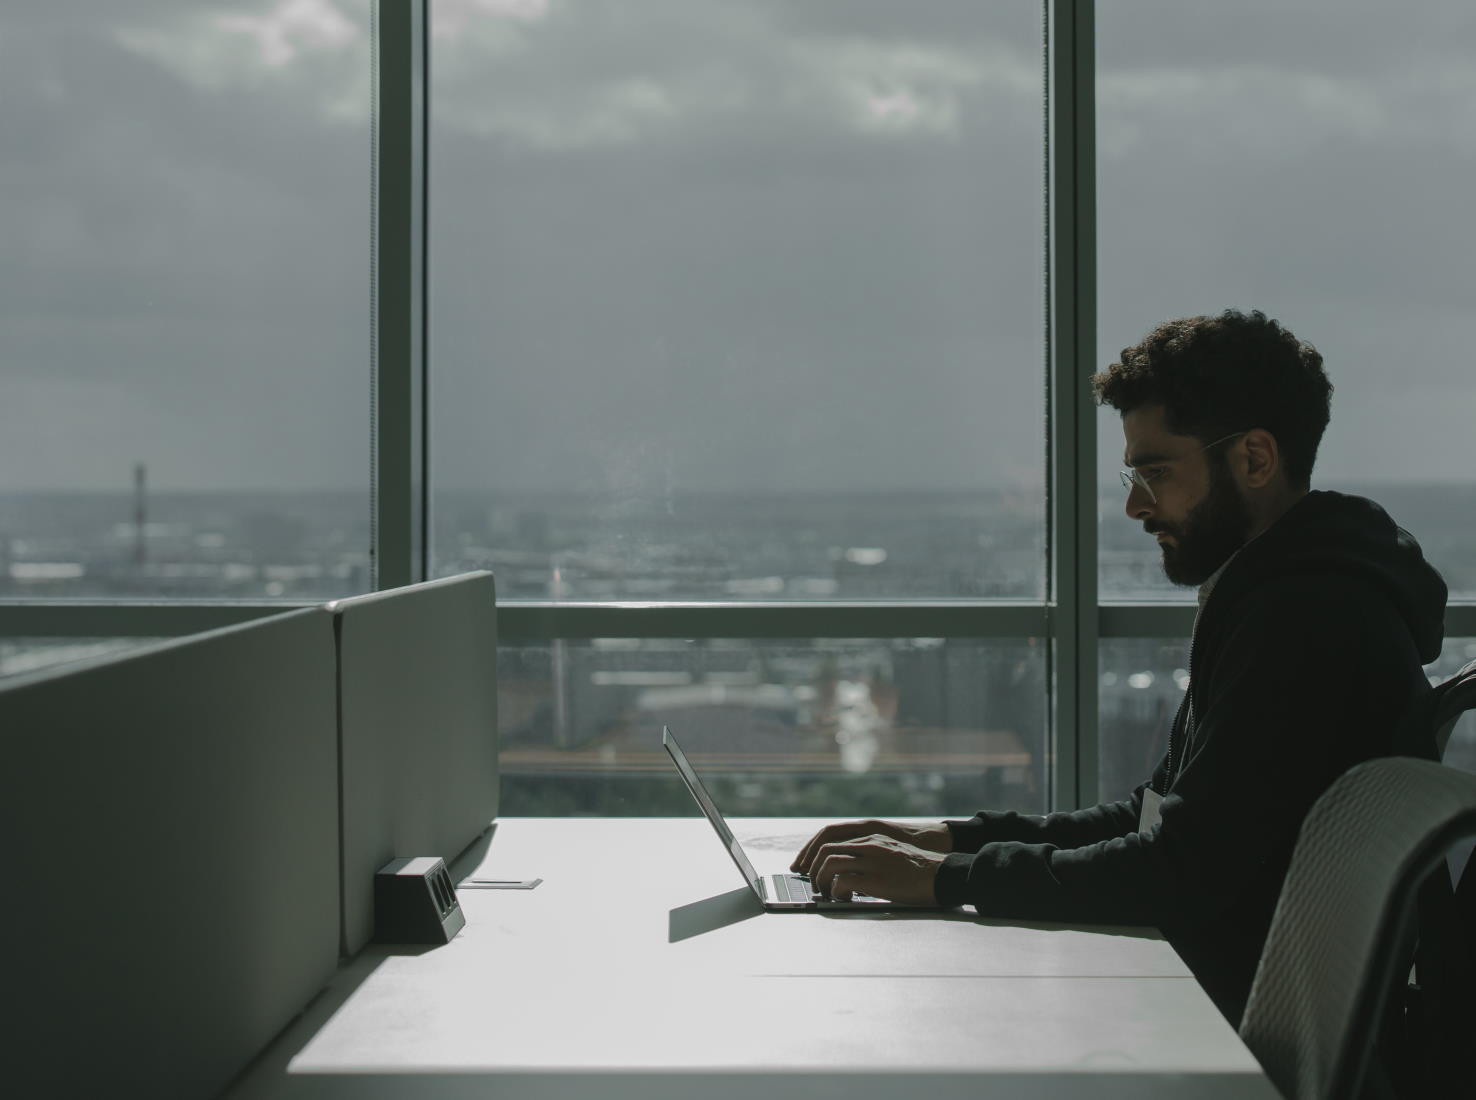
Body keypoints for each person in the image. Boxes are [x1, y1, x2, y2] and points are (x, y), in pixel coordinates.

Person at [791, 309, 1448, 1026]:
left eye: (1157, 471)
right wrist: (951, 840)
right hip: (1231, 988)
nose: (1136, 505)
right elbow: (1157, 815)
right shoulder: (1288, 592)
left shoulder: (1305, 621)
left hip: (1230, 1024)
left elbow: (1178, 871)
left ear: (1255, 459)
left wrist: (950, 879)